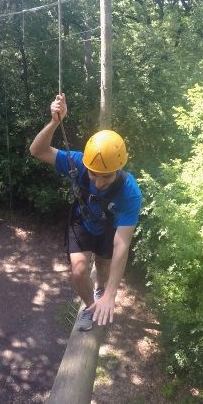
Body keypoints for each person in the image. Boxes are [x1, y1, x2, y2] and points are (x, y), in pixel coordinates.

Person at [29, 93, 142, 331]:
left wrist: (111, 293)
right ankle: (90, 306)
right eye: (94, 175)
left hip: (109, 227)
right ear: (87, 166)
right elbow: (37, 151)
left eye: (107, 177)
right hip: (82, 220)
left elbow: (122, 244)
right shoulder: (78, 163)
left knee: (102, 265)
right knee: (80, 270)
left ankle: (101, 290)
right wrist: (55, 122)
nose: (99, 183)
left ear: (118, 169)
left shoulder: (129, 192)